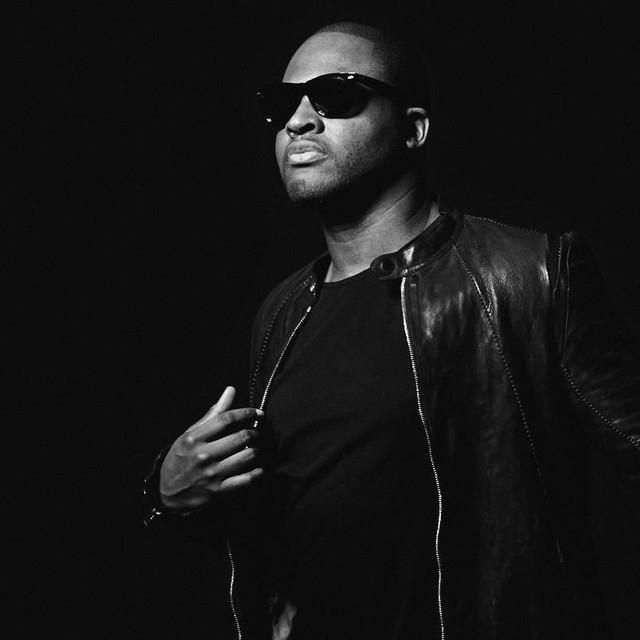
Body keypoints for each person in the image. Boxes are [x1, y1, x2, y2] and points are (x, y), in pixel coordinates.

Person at [143, 21, 640, 640]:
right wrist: (170, 492)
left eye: (336, 95)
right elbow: (303, 529)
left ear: (413, 129)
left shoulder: (530, 275)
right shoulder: (282, 313)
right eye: (282, 104)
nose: (299, 121)